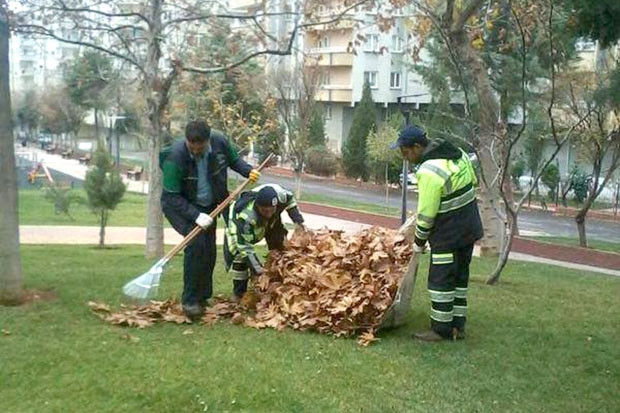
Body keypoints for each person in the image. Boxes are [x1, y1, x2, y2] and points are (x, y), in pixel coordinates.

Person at [160, 120, 261, 319]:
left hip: (210, 205)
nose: (196, 151)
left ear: (208, 141)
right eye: (192, 147)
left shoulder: (220, 142)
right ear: (187, 141)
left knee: (208, 250)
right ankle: (189, 301)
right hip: (181, 207)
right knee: (196, 246)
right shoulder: (175, 157)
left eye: (200, 147)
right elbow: (171, 196)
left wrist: (248, 171)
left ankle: (203, 297)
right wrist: (195, 215)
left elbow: (234, 161)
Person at [392, 125, 483, 342]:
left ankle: (440, 330)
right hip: (469, 228)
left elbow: (427, 213)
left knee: (440, 281)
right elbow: (473, 181)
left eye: (406, 152)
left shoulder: (429, 171)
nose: (405, 158)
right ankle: (457, 327)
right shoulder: (456, 153)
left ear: (417, 147)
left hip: (448, 234)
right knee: (460, 278)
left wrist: (418, 242)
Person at [224, 184, 306, 301]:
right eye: (265, 210)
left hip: (271, 223)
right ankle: (239, 294)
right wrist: (259, 270)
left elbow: (291, 201)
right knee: (240, 257)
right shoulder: (245, 217)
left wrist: (299, 222)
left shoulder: (281, 196)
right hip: (240, 232)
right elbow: (244, 246)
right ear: (258, 206)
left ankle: (280, 286)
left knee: (280, 248)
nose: (268, 213)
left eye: (271, 210)